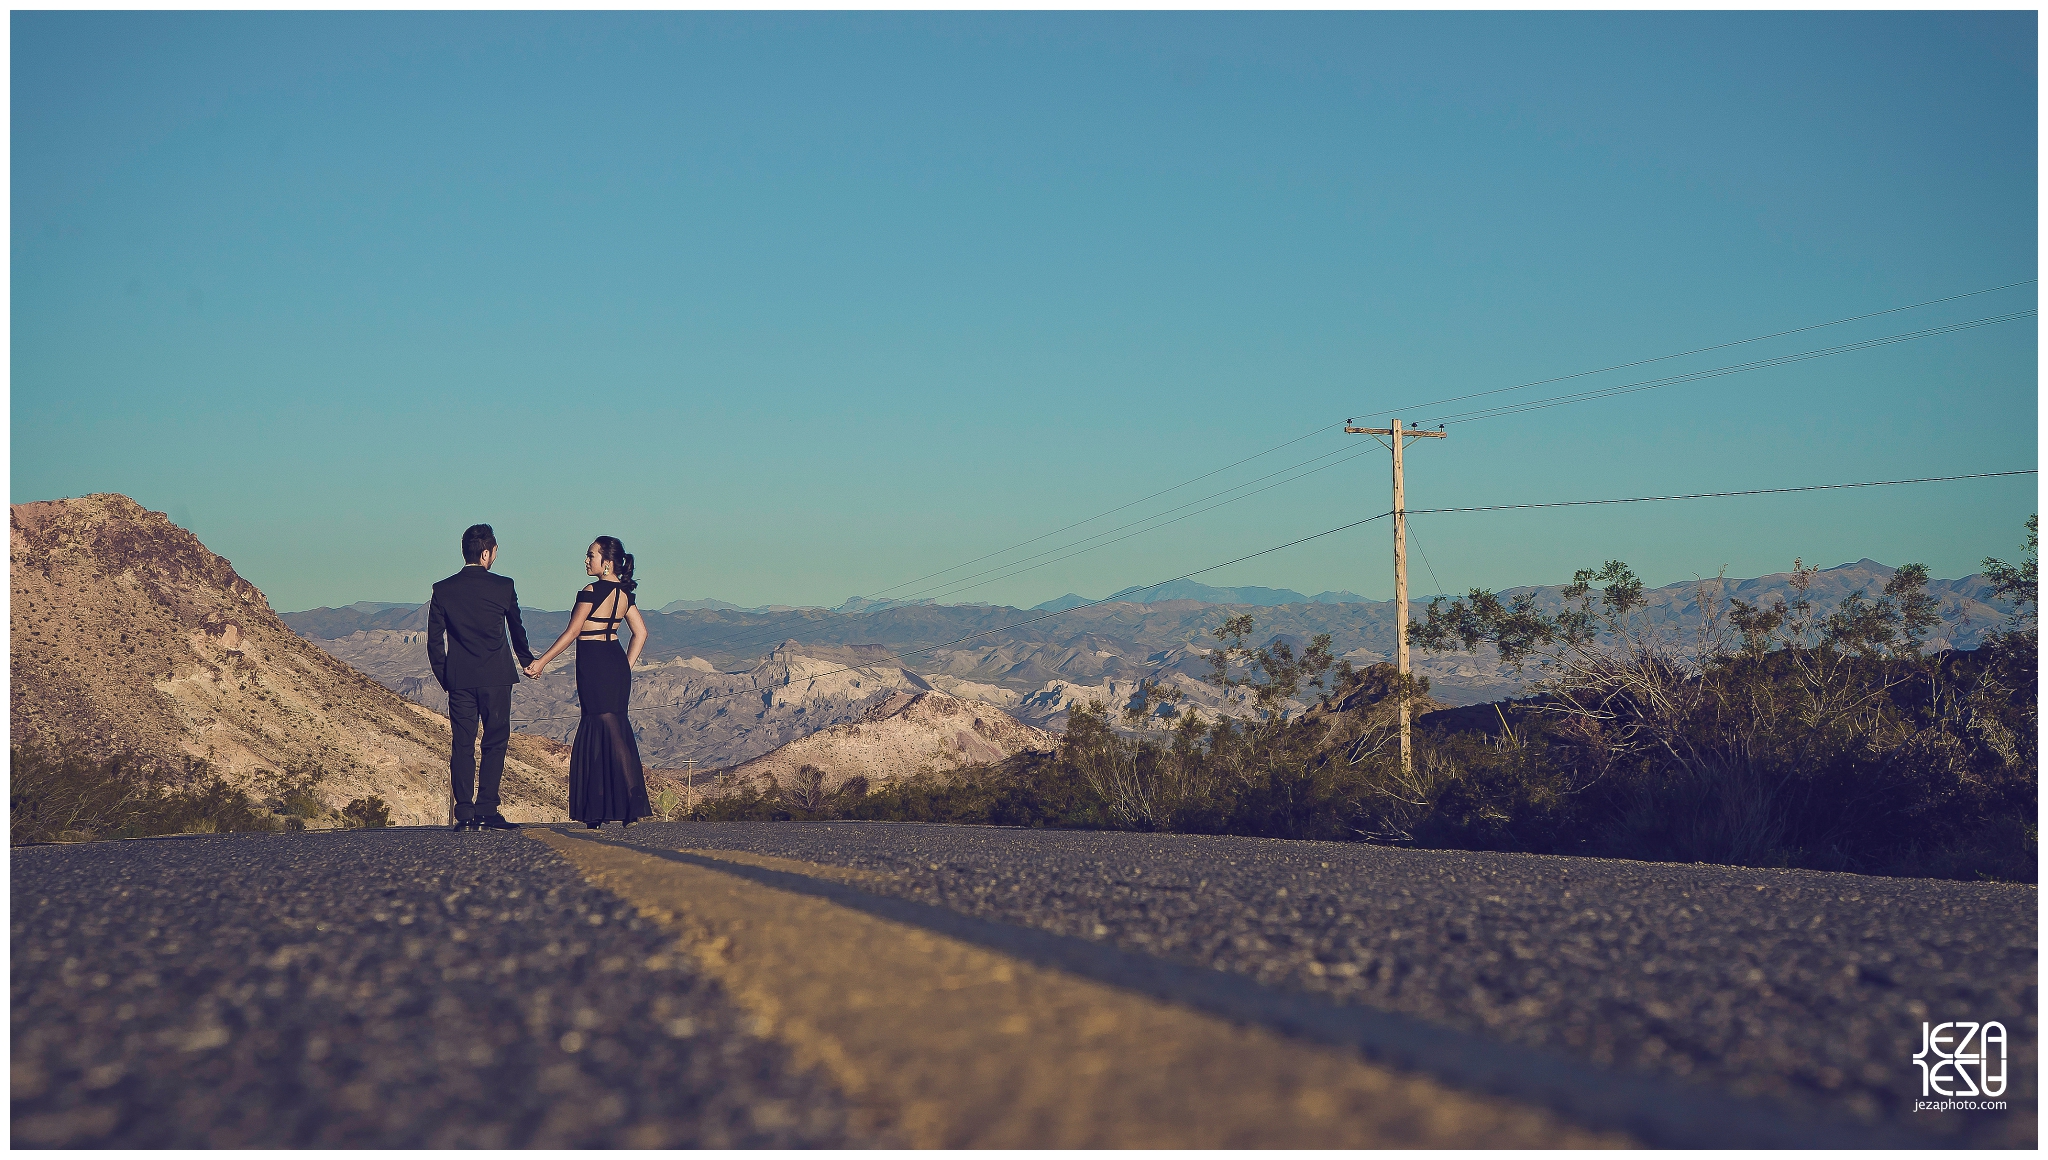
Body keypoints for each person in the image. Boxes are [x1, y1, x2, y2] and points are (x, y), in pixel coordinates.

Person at [525, 536, 650, 828]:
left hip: (594, 665)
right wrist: (625, 667)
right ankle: (628, 807)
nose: (586, 560)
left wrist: (541, 662)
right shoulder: (625, 594)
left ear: (606, 563)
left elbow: (571, 633)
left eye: (590, 555)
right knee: (616, 730)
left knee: (598, 730)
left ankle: (597, 809)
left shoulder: (591, 591)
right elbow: (640, 633)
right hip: (615, 663)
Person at [427, 523, 536, 832]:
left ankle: (464, 812)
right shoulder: (503, 586)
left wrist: (446, 676)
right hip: (497, 677)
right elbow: (517, 629)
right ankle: (487, 808)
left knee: (462, 744)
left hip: (459, 679)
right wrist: (528, 662)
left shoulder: (443, 589)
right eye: (495, 551)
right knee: (494, 742)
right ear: (487, 553)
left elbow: (434, 641)